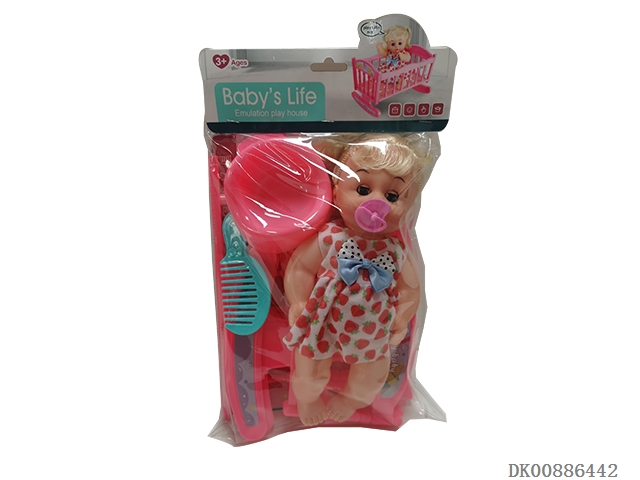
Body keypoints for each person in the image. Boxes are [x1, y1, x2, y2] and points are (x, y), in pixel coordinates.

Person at [283, 134, 427, 426]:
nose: (377, 203)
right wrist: (298, 301)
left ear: (409, 203)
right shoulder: (331, 237)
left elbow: (411, 289)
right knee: (309, 369)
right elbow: (301, 268)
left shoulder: (395, 250)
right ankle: (307, 398)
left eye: (392, 196)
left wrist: (401, 317)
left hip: (372, 327)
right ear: (336, 191)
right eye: (362, 189)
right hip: (322, 319)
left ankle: (352, 399)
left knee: (371, 376)